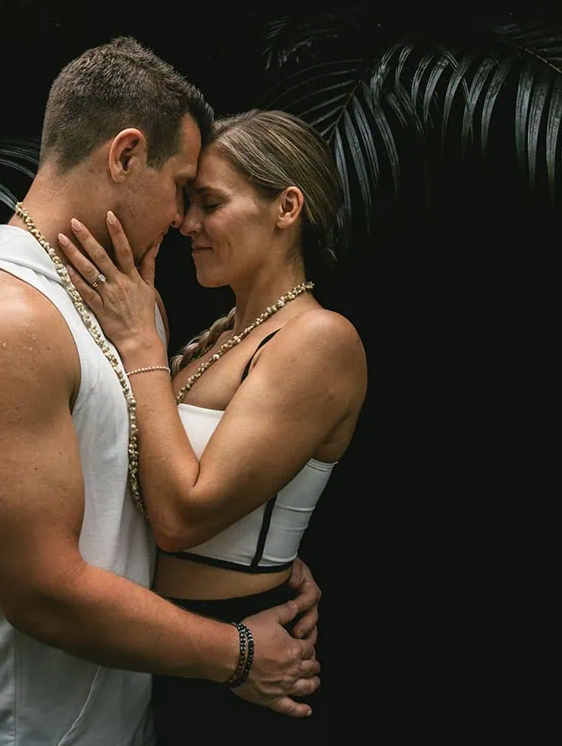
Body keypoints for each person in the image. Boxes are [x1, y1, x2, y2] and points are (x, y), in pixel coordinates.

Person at [0, 40, 323, 745]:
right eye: (183, 187)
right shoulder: (0, 314)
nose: (184, 218)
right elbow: (44, 590)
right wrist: (240, 652)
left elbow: (129, 498)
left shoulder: (131, 306)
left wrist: (259, 565)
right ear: (125, 156)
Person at [54, 109, 368, 743]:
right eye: (187, 202)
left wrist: (142, 345)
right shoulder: (222, 336)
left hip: (248, 663)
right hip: (180, 645)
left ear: (287, 208)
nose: (185, 224)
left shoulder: (319, 340)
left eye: (210, 204)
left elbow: (181, 517)